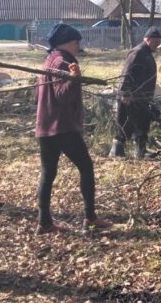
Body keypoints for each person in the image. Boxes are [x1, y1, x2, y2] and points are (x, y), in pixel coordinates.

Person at [35, 23, 109, 234]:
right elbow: (63, 96)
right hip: (62, 127)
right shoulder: (63, 62)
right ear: (67, 42)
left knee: (48, 172)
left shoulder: (49, 60)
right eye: (76, 43)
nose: (78, 47)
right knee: (86, 167)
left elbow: (39, 94)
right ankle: (90, 218)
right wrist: (74, 79)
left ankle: (44, 223)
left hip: (45, 125)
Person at [109, 26, 161, 159]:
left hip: (141, 98)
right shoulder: (137, 52)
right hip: (130, 97)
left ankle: (141, 151)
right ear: (148, 39)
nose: (158, 45)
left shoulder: (146, 53)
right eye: (156, 42)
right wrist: (125, 93)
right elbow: (127, 73)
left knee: (142, 124)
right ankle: (116, 152)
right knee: (126, 124)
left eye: (159, 42)